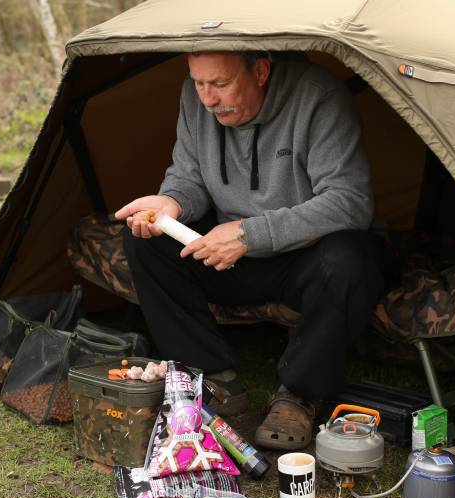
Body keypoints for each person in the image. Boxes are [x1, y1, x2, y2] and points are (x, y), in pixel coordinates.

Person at [114, 51, 385, 451]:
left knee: (349, 258)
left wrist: (249, 234)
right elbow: (189, 176)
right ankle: (211, 375)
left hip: (304, 256)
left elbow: (349, 202)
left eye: (220, 84)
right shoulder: (197, 98)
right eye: (198, 82)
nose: (207, 98)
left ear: (260, 71)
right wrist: (170, 203)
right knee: (146, 241)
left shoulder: (317, 98)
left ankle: (299, 394)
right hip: (229, 257)